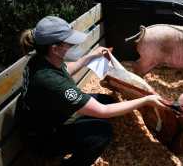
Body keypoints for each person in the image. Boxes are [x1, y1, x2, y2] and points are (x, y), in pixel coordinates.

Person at [18, 16, 165, 166]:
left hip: (50, 113)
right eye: (68, 43)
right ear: (55, 49)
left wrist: (90, 57)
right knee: (102, 133)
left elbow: (65, 71)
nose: (72, 45)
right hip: (44, 137)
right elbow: (103, 111)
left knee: (107, 100)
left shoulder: (43, 59)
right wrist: (146, 100)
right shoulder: (50, 81)